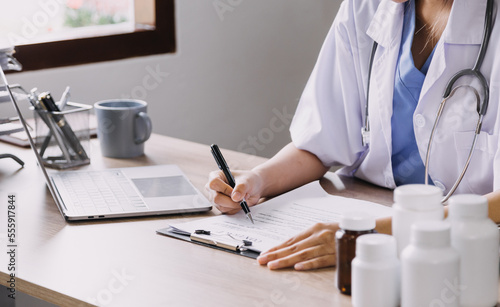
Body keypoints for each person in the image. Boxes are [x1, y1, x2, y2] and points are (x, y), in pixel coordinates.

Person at [206, 0, 500, 271]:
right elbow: (321, 141)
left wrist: (374, 232)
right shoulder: (366, 6)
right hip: (367, 234)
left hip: (468, 256)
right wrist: (257, 181)